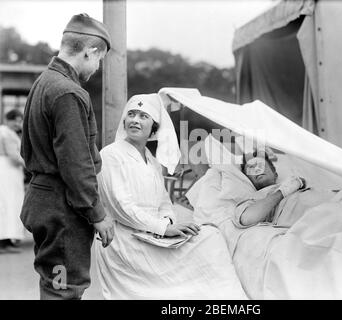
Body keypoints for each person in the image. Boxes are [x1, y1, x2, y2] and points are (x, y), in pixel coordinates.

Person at [95, 94, 247, 299]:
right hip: (126, 240)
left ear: (154, 128)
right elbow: (122, 207)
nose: (135, 120)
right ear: (124, 121)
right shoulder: (111, 154)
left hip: (153, 234)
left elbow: (164, 202)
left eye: (143, 116)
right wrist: (164, 228)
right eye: (131, 114)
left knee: (211, 236)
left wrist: (168, 222)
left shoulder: (152, 161)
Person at [20, 14, 114, 300]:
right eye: (99, 60)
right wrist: (97, 213)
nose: (97, 68)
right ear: (90, 52)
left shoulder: (44, 82)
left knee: (54, 285)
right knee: (63, 290)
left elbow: (26, 148)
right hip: (62, 209)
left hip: (45, 199)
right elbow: (76, 164)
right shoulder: (68, 92)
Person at [0, 109, 25, 254]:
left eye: (19, 120)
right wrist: (31, 165)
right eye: (14, 120)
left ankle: (8, 239)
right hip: (6, 172)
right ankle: (3, 241)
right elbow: (13, 156)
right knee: (7, 205)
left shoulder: (7, 132)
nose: (17, 123)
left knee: (11, 205)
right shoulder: (5, 133)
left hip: (10, 173)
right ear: (7, 119)